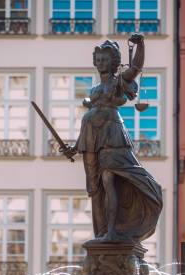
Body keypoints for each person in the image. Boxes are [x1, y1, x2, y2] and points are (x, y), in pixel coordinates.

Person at [63, 33, 162, 244]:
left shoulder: (118, 82)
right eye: (98, 60)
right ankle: (101, 233)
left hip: (112, 138)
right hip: (91, 139)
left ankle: (112, 231)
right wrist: (75, 147)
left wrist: (140, 45)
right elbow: (89, 121)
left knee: (109, 178)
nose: (101, 63)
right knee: (96, 188)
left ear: (114, 62)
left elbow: (135, 68)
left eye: (105, 60)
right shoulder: (95, 89)